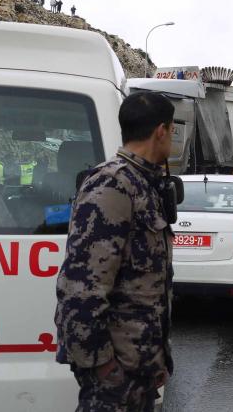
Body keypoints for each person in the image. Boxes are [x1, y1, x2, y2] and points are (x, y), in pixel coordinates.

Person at [55, 92, 176, 412]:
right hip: (114, 373)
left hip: (138, 367)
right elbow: (81, 287)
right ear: (161, 131)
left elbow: (149, 286)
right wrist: (103, 368)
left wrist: (156, 359)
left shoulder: (142, 184)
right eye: (173, 131)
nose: (172, 139)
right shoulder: (112, 184)